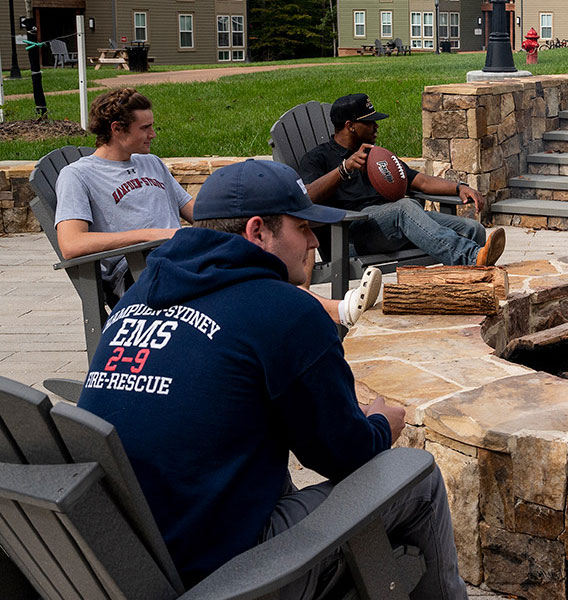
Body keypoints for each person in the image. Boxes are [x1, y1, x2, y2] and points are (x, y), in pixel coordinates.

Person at [76, 159, 465, 599]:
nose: (315, 241)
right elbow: (344, 456)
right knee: (418, 478)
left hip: (131, 558)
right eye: (303, 228)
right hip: (224, 574)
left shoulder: (136, 297)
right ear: (258, 231)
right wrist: (380, 423)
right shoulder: (284, 310)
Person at [54, 88, 378, 328]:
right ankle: (333, 311)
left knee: (279, 240)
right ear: (116, 129)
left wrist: (252, 220)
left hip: (182, 253)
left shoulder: (150, 163)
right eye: (145, 128)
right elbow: (72, 245)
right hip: (140, 271)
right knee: (242, 275)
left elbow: (196, 211)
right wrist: (154, 235)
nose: (153, 134)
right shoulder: (78, 175)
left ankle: (310, 314)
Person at [299, 93, 505, 267]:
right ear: (350, 126)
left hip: (396, 226)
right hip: (351, 233)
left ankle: (469, 289)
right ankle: (470, 256)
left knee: (472, 229)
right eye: (369, 122)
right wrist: (344, 168)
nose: (376, 126)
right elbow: (307, 197)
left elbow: (420, 181)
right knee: (404, 207)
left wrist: (459, 187)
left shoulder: (376, 156)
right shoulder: (318, 158)